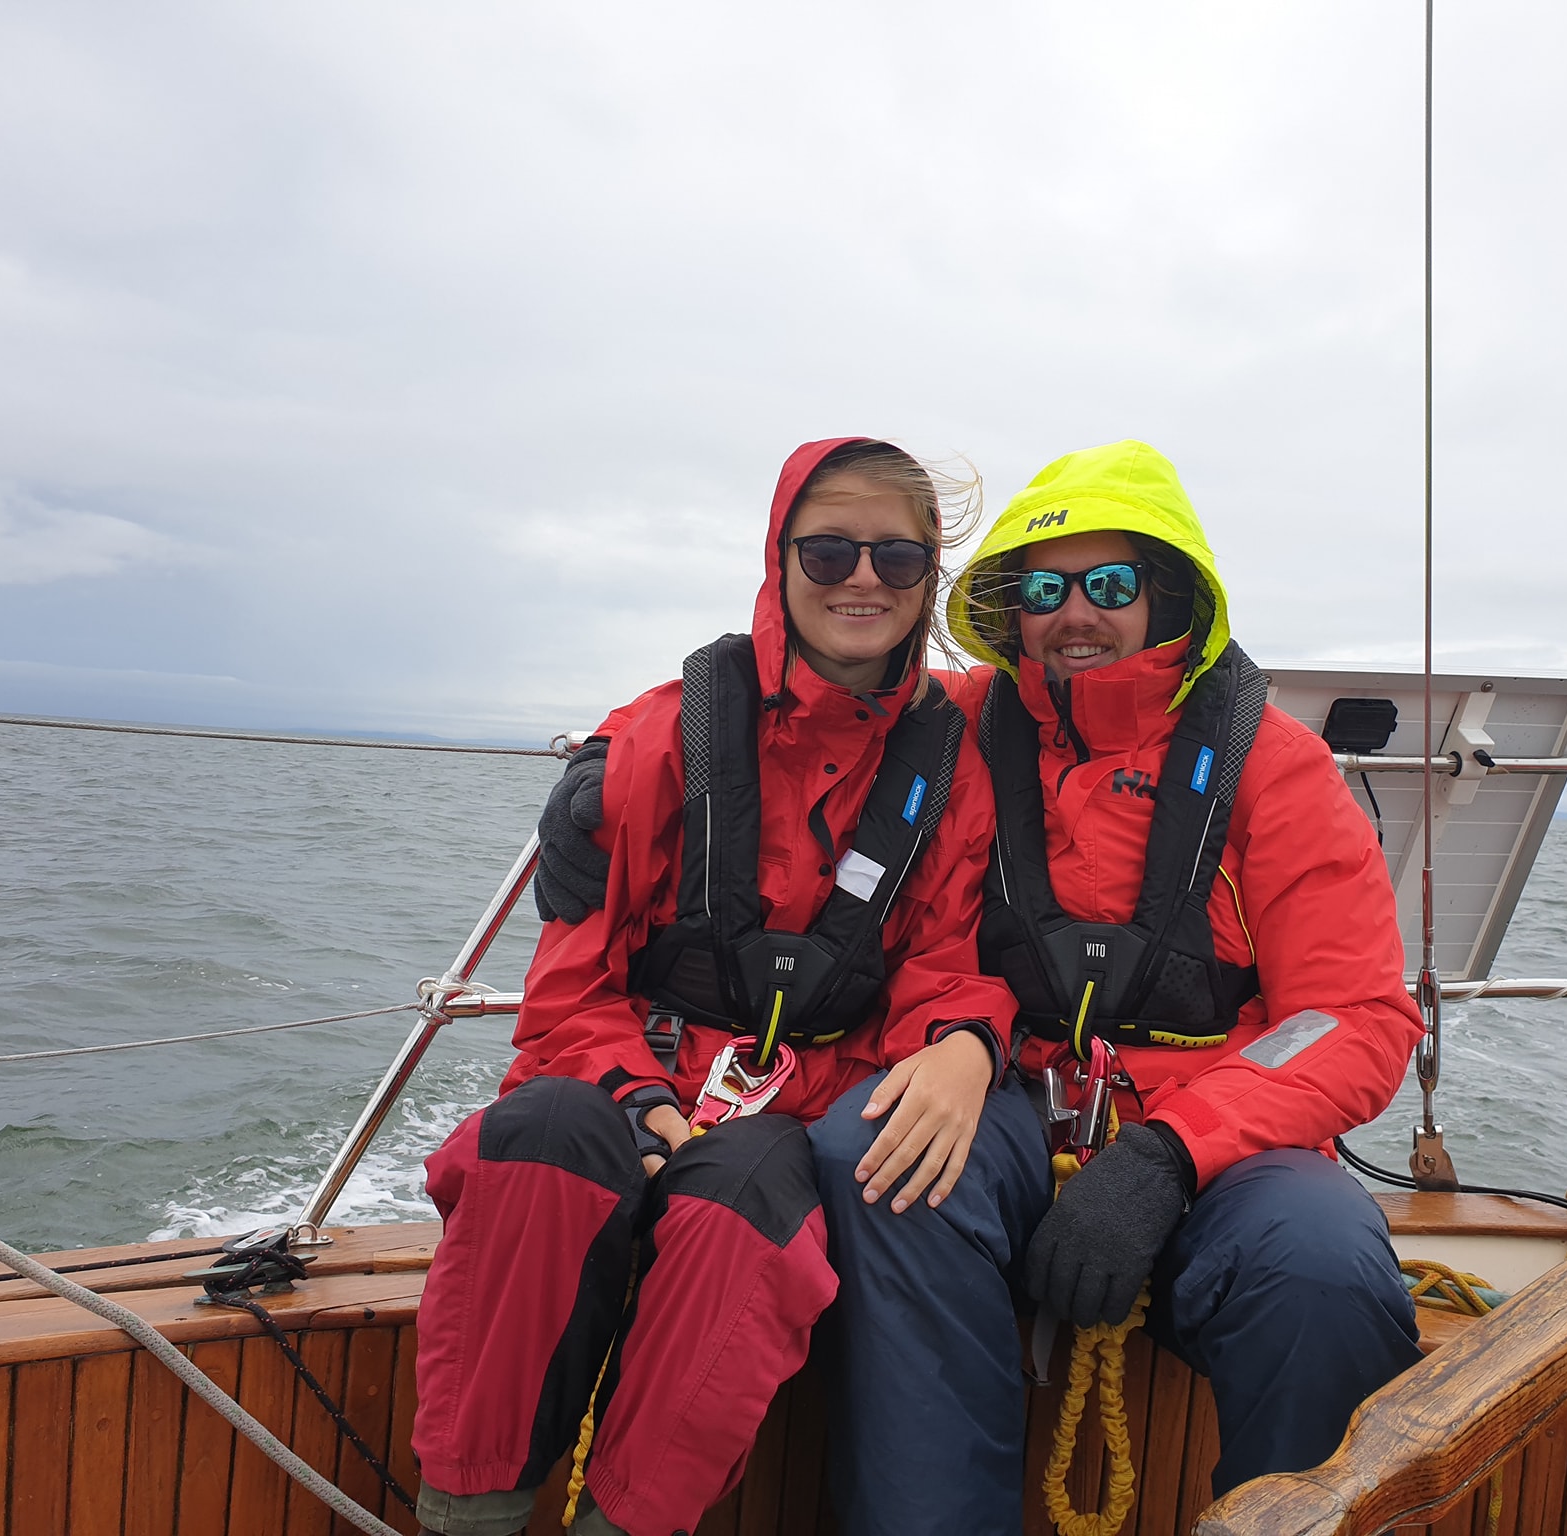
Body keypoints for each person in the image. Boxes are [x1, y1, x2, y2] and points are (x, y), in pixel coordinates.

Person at [535, 438, 1427, 1510]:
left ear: (1169, 596)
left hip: (1221, 1137)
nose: (1075, 614)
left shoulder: (1275, 768)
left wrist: (1169, 1156)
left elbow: (1351, 1020)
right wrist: (600, 770)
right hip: (1005, 1096)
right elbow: (810, 713)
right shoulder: (959, 719)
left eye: (1109, 585)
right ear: (1011, 609)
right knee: (879, 1161)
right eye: (1043, 590)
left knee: (1323, 1266)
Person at [413, 438, 1051, 1536]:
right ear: (777, 559)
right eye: (829, 551)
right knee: (539, 1142)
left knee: (740, 1205)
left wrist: (963, 1039)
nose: (862, 579)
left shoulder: (951, 766)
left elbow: (945, 956)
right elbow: (568, 992)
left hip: (785, 1102)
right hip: (622, 1070)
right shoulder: (661, 737)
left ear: (929, 580)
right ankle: (466, 1512)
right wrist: (635, 1095)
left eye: (897, 560)